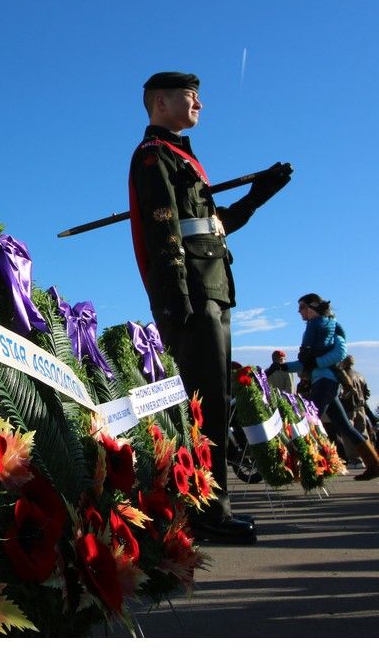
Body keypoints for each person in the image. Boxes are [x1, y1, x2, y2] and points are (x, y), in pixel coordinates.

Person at [128, 71, 293, 544]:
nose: (199, 101)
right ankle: (205, 510)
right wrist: (175, 294)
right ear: (160, 102)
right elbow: (164, 231)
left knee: (214, 399)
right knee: (205, 401)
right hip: (192, 291)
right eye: (189, 94)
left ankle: (208, 503)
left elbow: (214, 225)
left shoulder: (184, 159)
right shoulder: (153, 156)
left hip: (213, 287)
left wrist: (257, 197)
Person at [266, 294, 379, 480]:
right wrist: (283, 367)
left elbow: (339, 353)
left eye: (302, 307)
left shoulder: (331, 327)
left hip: (327, 383)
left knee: (308, 423)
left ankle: (304, 468)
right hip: (323, 383)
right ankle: (373, 465)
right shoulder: (315, 333)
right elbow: (306, 364)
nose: (299, 311)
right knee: (344, 426)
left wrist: (315, 362)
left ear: (313, 307)